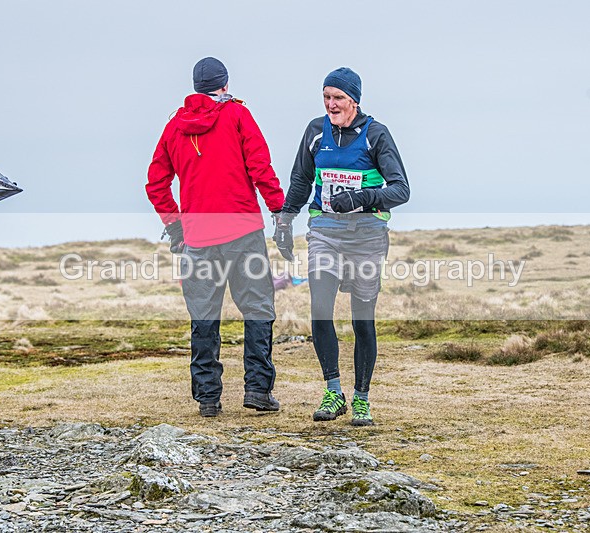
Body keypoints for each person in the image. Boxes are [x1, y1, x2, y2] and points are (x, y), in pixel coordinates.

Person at [146, 57, 286, 418]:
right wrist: (279, 210)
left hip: (198, 238)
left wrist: (176, 225)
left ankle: (208, 398)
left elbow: (155, 182)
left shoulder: (174, 127)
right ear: (224, 83)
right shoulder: (238, 115)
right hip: (243, 232)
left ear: (196, 86)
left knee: (203, 315)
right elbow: (260, 166)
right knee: (257, 309)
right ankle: (257, 390)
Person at [275, 67, 410, 426]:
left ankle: (362, 399)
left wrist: (363, 197)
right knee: (320, 308)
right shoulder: (315, 132)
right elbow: (302, 179)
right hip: (325, 230)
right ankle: (333, 392)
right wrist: (285, 221)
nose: (331, 105)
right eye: (326, 98)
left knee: (361, 318)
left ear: (354, 100)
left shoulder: (375, 135)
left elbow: (401, 190)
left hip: (367, 234)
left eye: (338, 98)